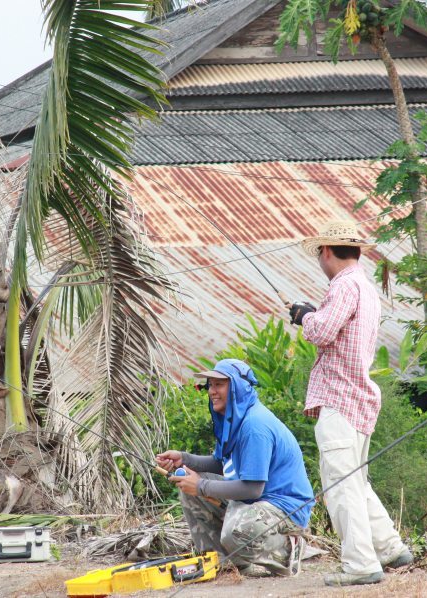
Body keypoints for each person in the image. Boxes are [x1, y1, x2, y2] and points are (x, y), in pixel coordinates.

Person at [288, 220, 412, 587]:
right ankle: (389, 548)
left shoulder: (343, 285)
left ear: (326, 251)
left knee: (340, 483)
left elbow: (322, 331)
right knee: (355, 480)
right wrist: (313, 314)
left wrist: (304, 316)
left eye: (319, 254)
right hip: (357, 396)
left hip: (340, 397)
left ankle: (360, 564)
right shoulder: (364, 285)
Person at [156, 358, 314, 577]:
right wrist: (184, 459)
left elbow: (252, 489)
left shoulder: (254, 426)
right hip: (258, 501)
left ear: (238, 387)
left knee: (236, 532)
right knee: (191, 490)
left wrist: (201, 486)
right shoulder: (236, 419)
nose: (212, 391)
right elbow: (223, 465)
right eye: (210, 385)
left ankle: (287, 549)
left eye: (219, 384)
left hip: (285, 507)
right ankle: (222, 564)